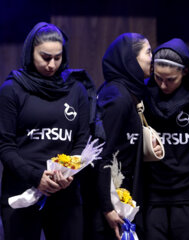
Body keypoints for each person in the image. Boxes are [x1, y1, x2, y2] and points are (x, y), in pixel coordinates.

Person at [0, 22, 96, 240]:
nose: (52, 64)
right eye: (45, 57)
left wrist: (69, 171)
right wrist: (36, 177)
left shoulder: (76, 90)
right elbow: (5, 146)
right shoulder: (12, 89)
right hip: (22, 191)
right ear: (29, 52)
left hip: (66, 193)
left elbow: (81, 141)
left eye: (58, 57)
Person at [142, 38, 189, 240]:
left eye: (170, 79)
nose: (163, 85)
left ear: (185, 71)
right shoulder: (144, 94)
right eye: (158, 78)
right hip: (152, 193)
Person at [96, 33, 161, 240]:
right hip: (111, 212)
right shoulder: (116, 97)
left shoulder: (131, 93)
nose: (153, 58)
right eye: (148, 52)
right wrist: (108, 209)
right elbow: (102, 156)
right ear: (130, 59)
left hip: (124, 204)